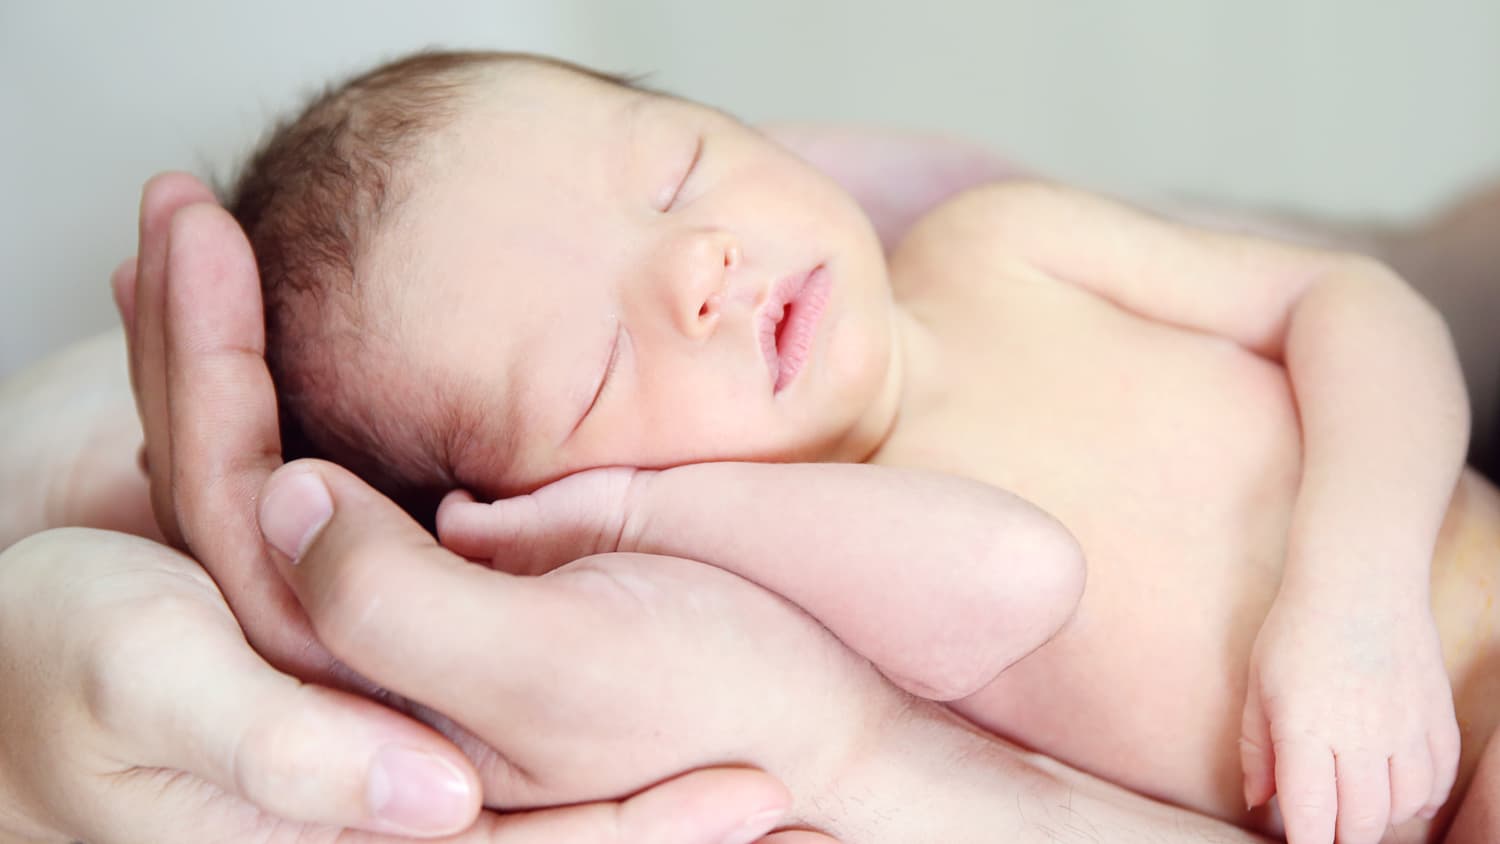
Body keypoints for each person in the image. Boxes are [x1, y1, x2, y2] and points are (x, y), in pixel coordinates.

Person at [210, 49, 1500, 844]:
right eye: (595, 370)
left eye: (676, 171)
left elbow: (1356, 307)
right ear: (540, 501)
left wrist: (1359, 598)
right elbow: (1012, 569)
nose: (696, 268)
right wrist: (628, 527)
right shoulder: (810, 569)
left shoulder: (996, 242)